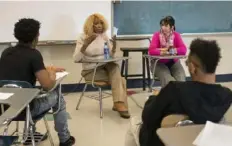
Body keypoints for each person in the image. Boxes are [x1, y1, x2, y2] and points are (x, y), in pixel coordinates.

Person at [125, 38, 232, 146]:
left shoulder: (174, 90)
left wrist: (154, 98)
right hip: (203, 141)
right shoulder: (226, 96)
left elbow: (148, 117)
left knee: (134, 124)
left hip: (161, 142)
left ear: (192, 67)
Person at [0, 18, 75, 146]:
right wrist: (51, 73)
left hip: (4, 108)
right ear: (36, 36)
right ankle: (65, 139)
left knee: (27, 94)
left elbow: (21, 69)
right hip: (26, 110)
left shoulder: (6, 52)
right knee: (58, 97)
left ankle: (30, 134)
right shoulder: (34, 54)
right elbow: (47, 86)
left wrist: (45, 69)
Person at [73, 13, 130, 119]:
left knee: (114, 66)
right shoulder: (82, 37)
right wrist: (85, 45)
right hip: (91, 71)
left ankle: (118, 103)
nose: (99, 26)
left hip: (105, 66)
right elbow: (76, 59)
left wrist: (114, 48)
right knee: (121, 79)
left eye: (101, 23)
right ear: (90, 25)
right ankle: (119, 104)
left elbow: (110, 56)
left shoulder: (104, 36)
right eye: (96, 23)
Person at [149, 16, 187, 87]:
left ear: (172, 27)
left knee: (181, 80)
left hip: (173, 62)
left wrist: (172, 50)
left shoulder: (176, 35)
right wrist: (163, 52)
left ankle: (179, 97)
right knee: (169, 81)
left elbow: (183, 50)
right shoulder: (156, 35)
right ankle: (171, 97)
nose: (163, 28)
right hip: (159, 63)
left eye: (166, 26)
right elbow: (151, 50)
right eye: (162, 25)